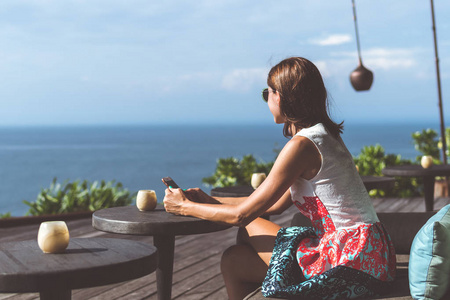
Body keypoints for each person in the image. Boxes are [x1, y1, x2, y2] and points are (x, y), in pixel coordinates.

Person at [163, 57, 396, 300]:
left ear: (281, 97)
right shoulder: (324, 136)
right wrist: (209, 200)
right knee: (233, 261)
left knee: (246, 227)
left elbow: (242, 215)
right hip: (371, 257)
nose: (267, 100)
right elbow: (274, 204)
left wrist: (185, 207)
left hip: (349, 260)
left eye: (268, 93)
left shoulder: (302, 145)